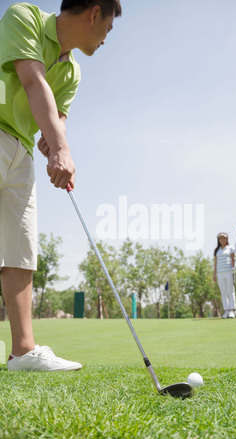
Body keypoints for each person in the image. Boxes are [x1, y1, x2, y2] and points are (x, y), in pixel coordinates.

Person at [0, 0, 122, 371]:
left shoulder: (72, 73)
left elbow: (59, 117)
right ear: (94, 13)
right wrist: (62, 149)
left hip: (21, 149)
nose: (106, 39)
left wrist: (54, 141)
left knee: (21, 250)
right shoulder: (24, 17)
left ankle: (22, 351)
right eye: (109, 28)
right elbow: (31, 78)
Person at [213, 232, 236, 319]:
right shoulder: (217, 250)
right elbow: (215, 263)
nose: (222, 240)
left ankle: (232, 310)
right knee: (223, 292)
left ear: (227, 239)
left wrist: (233, 269)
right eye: (220, 238)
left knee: (230, 291)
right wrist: (214, 274)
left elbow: (233, 259)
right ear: (218, 240)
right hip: (220, 273)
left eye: (224, 238)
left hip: (229, 272)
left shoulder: (230, 248)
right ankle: (226, 311)